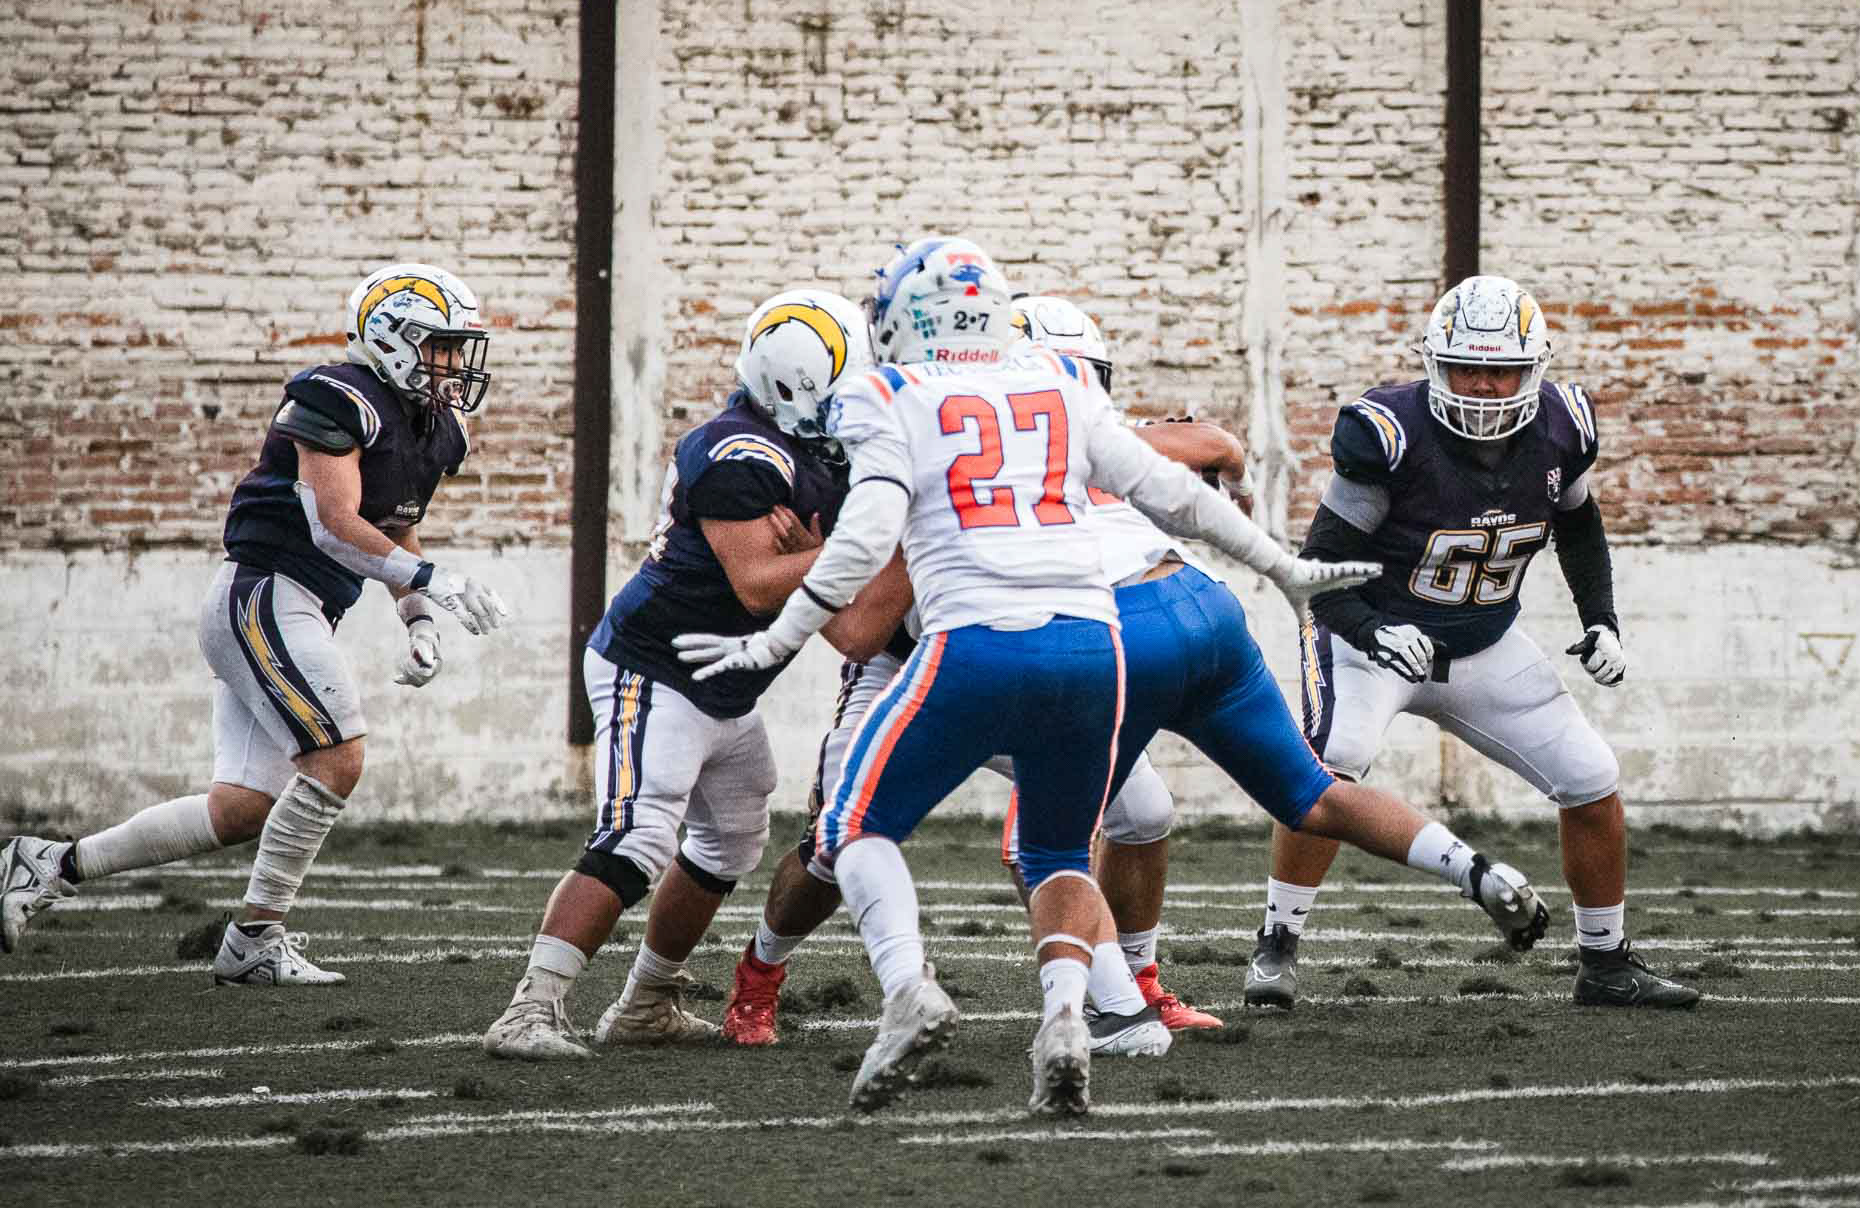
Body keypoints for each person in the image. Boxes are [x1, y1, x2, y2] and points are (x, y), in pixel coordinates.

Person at [677, 238, 1536, 1118]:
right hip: (1049, 644)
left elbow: (859, 593)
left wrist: (779, 630)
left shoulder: (901, 398)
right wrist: (1279, 563)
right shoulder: (1043, 393)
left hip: (975, 643)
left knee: (902, 828)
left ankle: (1052, 996)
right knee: (938, 847)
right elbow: (1178, 478)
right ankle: (793, 980)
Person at [718, 296, 1241, 1058]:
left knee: (1141, 809)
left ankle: (1133, 988)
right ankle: (760, 973)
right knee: (837, 838)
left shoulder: (1039, 427)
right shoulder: (911, 436)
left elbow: (1203, 442)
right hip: (910, 655)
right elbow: (861, 631)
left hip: (1011, 650)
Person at [0, 263, 508, 984]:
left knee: (241, 808)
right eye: (443, 346)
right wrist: (437, 580)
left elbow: (396, 524)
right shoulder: (337, 396)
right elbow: (332, 525)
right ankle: (256, 940)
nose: (455, 364)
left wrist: (418, 615)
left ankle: (47, 864)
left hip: (299, 607)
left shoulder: (434, 427)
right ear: (394, 339)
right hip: (265, 594)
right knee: (338, 758)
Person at [1243, 274, 1700, 1012]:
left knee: (1591, 777)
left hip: (1485, 642)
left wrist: (1602, 619)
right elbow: (1317, 574)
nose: (1485, 386)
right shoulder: (1388, 435)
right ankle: (1277, 942)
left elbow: (1579, 524)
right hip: (1370, 640)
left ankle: (1606, 964)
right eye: (1466, 368)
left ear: (1534, 369)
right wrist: (1374, 630)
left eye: (1502, 371)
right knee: (1330, 768)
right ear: (1436, 363)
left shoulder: (1562, 429)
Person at [481, 288, 907, 1060]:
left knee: (732, 840)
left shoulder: (815, 453)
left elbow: (839, 616)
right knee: (636, 838)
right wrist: (852, 549)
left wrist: (825, 555)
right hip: (656, 666)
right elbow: (757, 583)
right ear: (797, 387)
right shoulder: (737, 452)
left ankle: (647, 1001)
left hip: (724, 685)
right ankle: (529, 1008)